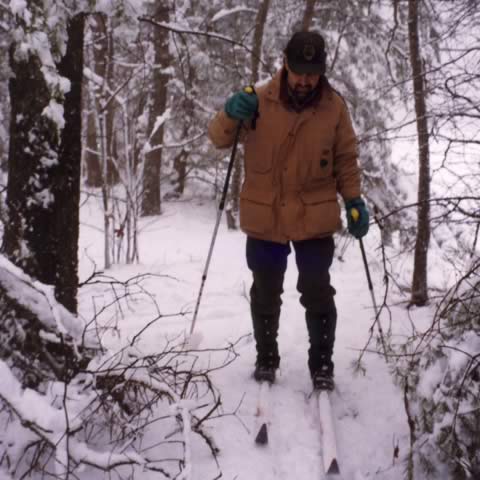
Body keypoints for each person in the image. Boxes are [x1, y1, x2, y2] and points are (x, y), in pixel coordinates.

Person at [207, 31, 369, 391]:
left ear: (322, 71)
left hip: (315, 215)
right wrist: (230, 114)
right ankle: (266, 358)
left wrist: (354, 200)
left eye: (312, 73)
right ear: (286, 64)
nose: (305, 80)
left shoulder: (334, 107)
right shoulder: (258, 99)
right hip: (266, 214)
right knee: (265, 290)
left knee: (316, 290)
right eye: (299, 72)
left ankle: (322, 363)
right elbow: (219, 138)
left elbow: (346, 158)